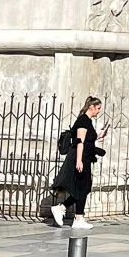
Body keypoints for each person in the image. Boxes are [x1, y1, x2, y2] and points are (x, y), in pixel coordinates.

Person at [50, 96, 103, 230]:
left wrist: (98, 136)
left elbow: (87, 138)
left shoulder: (88, 121)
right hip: (80, 158)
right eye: (98, 108)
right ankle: (69, 213)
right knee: (82, 187)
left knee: (83, 188)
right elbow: (79, 142)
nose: (99, 111)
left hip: (85, 157)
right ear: (91, 107)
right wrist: (79, 161)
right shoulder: (83, 121)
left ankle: (72, 214)